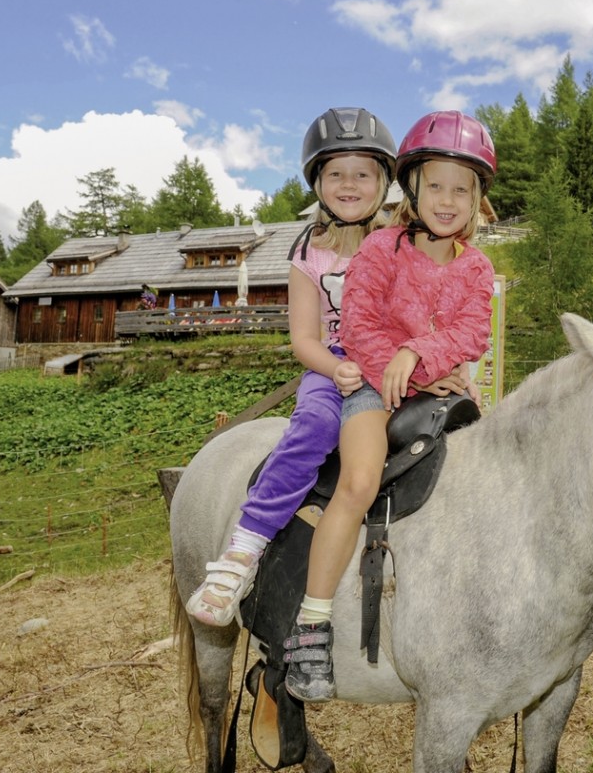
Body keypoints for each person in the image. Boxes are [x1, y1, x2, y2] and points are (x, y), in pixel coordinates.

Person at [283, 111, 497, 702]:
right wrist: (393, 368)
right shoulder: (381, 248)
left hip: (436, 382)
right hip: (373, 385)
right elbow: (356, 323)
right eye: (435, 186)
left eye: (462, 188)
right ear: (412, 189)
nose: (447, 199)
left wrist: (420, 354)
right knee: (357, 480)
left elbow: (471, 332)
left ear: (478, 199)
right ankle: (312, 624)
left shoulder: (478, 267)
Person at [185, 107, 397, 627]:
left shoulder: (401, 244)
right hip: (334, 367)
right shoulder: (308, 253)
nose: (349, 184)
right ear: (318, 183)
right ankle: (244, 549)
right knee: (314, 428)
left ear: (384, 181)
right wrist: (333, 366)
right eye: (335, 173)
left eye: (362, 173)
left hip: (394, 365)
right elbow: (303, 339)